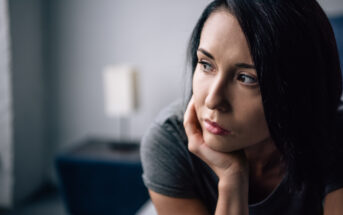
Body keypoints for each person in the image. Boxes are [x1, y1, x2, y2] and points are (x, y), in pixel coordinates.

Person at [140, 0, 343, 214]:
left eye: (246, 78)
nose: (213, 100)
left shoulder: (335, 137)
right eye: (206, 64)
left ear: (298, 90)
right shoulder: (169, 141)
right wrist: (232, 179)